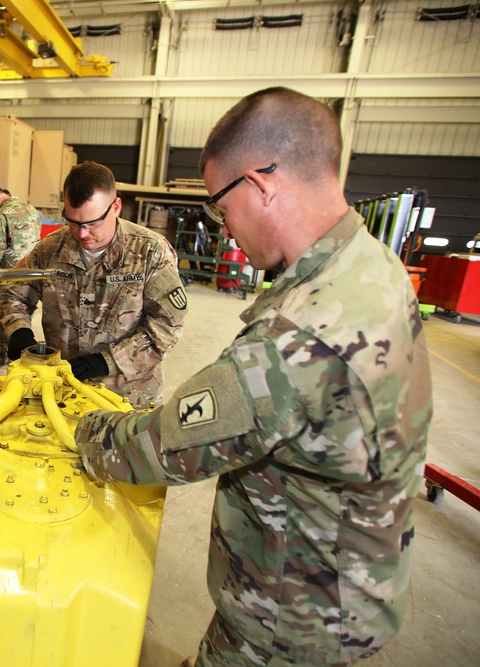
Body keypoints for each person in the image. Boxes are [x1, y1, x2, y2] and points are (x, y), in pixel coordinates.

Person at [73, 87, 433, 666]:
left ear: (260, 184)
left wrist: (85, 430)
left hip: (289, 620)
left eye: (220, 205)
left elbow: (164, 447)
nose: (222, 227)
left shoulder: (298, 336)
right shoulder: (370, 264)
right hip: (347, 580)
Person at [0, 161, 186, 409]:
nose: (82, 233)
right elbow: (14, 293)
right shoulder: (50, 249)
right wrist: (19, 331)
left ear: (116, 206)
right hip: (64, 393)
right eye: (73, 222)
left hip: (128, 398)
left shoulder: (150, 252)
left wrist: (107, 361)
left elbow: (167, 326)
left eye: (93, 223)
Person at [0, 183, 42, 311]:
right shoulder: (31, 209)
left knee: (5, 318)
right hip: (31, 276)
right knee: (24, 316)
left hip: (9, 279)